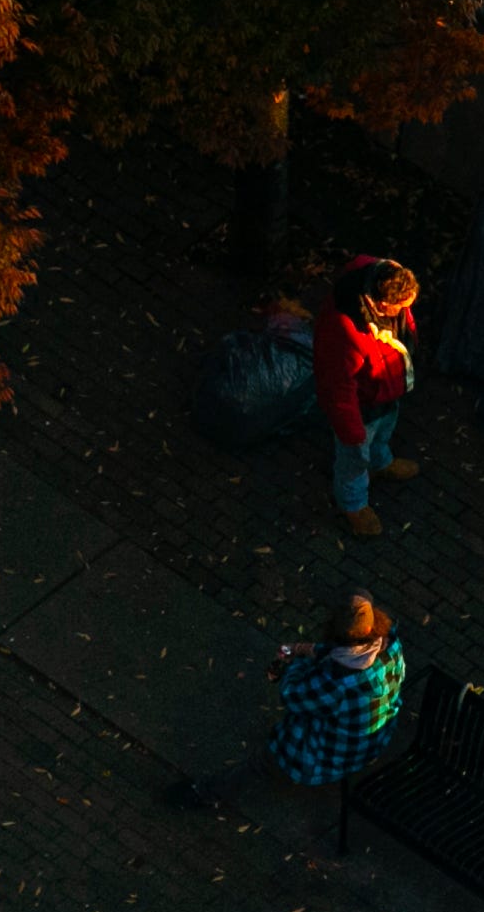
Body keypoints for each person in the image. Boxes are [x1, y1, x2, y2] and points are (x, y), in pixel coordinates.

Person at [165, 593, 411, 813]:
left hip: (335, 754)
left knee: (264, 761)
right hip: (378, 736)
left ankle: (210, 794)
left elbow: (292, 695)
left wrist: (295, 662)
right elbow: (346, 651)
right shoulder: (390, 643)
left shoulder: (338, 683)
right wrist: (309, 649)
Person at [316, 256, 421, 539]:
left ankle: (381, 462)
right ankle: (352, 505)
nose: (406, 312)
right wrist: (351, 432)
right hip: (362, 405)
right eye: (402, 307)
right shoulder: (344, 330)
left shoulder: (384, 275)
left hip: (388, 391)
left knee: (384, 430)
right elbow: (338, 386)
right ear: (382, 304)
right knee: (353, 459)